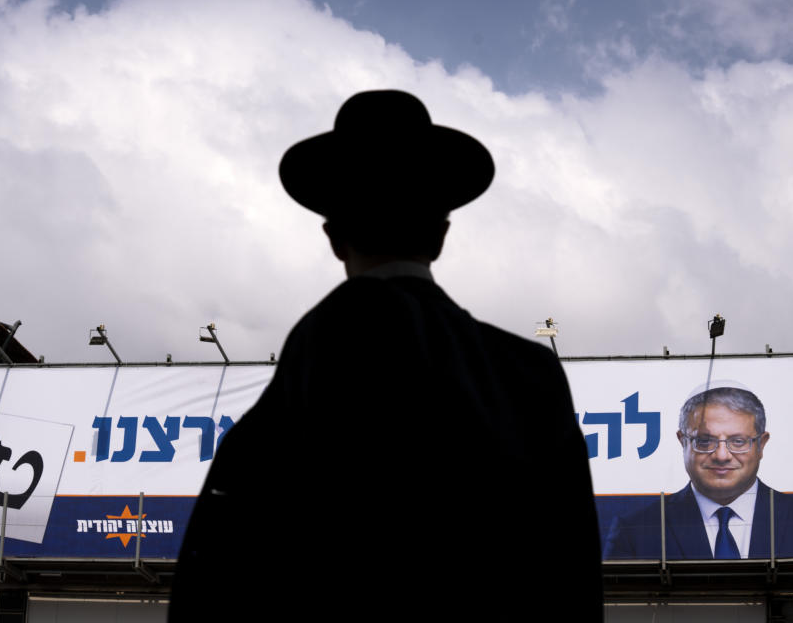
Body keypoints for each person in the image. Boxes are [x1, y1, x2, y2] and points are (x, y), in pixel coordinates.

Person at [169, 90, 603, 620]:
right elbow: (573, 573)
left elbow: (224, 564)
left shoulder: (323, 347)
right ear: (441, 236)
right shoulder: (532, 374)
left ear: (334, 238)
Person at [603, 384, 793, 560]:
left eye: (738, 441)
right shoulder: (635, 530)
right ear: (682, 441)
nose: (722, 455)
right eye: (704, 441)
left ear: (761, 445)